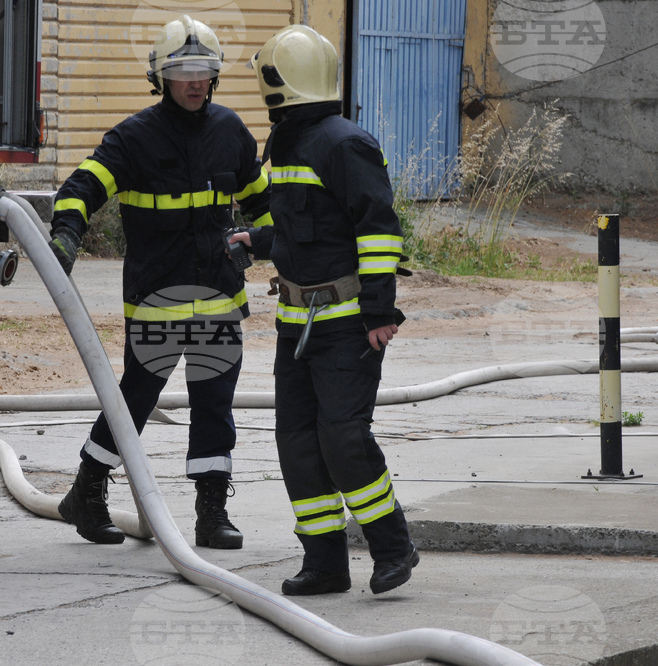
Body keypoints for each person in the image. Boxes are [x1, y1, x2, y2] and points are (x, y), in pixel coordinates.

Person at [48, 15, 272, 549]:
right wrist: (65, 236)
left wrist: (265, 245)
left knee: (214, 403)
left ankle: (211, 513)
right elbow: (81, 187)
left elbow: (266, 207)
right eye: (183, 71)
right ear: (161, 77)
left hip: (220, 297)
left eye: (204, 71)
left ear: (215, 77)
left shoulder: (231, 134)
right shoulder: (134, 139)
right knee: (134, 401)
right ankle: (87, 490)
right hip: (157, 301)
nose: (194, 81)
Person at [232, 24, 418, 595]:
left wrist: (379, 311)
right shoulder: (285, 143)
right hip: (297, 323)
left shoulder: (344, 143)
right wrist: (257, 243)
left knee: (343, 437)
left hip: (346, 324)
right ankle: (325, 563)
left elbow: (378, 230)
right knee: (298, 442)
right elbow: (300, 227)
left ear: (279, 81)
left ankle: (392, 549)